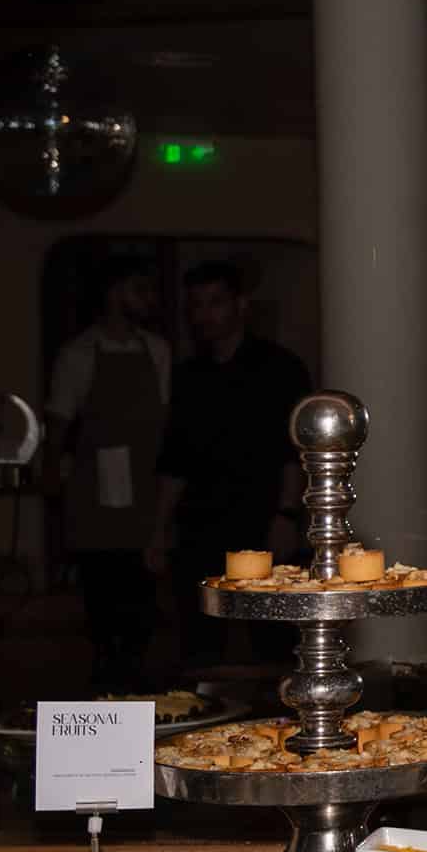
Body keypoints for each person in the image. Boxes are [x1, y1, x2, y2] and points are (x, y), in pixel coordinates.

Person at [150, 261, 311, 673]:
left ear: (240, 305)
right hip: (200, 524)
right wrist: (158, 530)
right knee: (199, 640)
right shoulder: (189, 375)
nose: (204, 314)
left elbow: (294, 451)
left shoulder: (280, 368)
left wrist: (286, 515)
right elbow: (176, 458)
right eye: (196, 305)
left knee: (273, 640)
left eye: (215, 302)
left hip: (260, 518)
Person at [46, 255, 168, 691]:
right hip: (95, 490)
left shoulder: (158, 350)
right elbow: (57, 426)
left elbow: (167, 419)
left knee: (142, 597)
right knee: (101, 595)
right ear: (115, 293)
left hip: (147, 486)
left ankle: (139, 683)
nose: (149, 300)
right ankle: (105, 684)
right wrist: (54, 486)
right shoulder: (78, 354)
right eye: (140, 290)